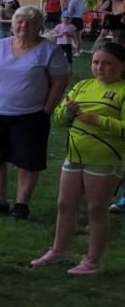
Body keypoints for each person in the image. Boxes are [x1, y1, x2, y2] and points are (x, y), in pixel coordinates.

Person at [31, 43, 125, 274]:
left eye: (107, 63)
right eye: (96, 62)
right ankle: (58, 251)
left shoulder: (122, 91)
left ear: (122, 66)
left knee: (96, 209)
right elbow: (59, 119)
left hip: (105, 159)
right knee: (65, 205)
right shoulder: (83, 86)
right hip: (74, 155)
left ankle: (93, 261)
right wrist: (67, 111)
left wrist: (98, 120)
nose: (100, 68)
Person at [0, 6, 70, 221]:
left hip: (31, 115)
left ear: (39, 26)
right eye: (19, 21)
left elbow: (59, 83)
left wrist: (46, 111)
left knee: (27, 160)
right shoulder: (0, 46)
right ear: (12, 24)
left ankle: (21, 204)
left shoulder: (49, 50)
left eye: (30, 22)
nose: (24, 26)